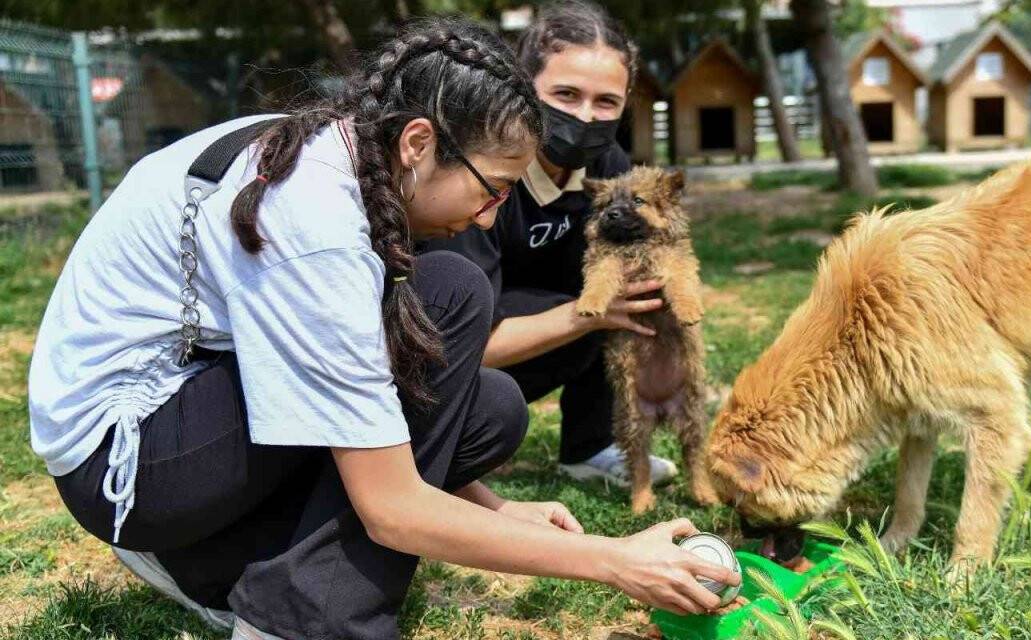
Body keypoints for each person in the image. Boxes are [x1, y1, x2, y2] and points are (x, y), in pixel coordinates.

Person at [28, 17, 736, 640]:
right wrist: (615, 561)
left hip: (192, 412)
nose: (491, 217)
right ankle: (299, 617)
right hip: (130, 458)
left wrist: (500, 509)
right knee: (453, 296)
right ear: (419, 141)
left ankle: (214, 557)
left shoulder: (352, 159)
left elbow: (381, 412)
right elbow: (392, 507)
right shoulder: (313, 221)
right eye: (490, 189)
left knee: (485, 396)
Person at [422, 0, 678, 486]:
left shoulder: (608, 168)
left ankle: (591, 446)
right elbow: (448, 344)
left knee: (634, 291)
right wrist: (589, 314)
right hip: (445, 350)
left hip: (539, 318)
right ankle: (445, 435)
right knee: (602, 308)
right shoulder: (478, 170)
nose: (585, 116)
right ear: (523, 86)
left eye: (606, 102)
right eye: (565, 94)